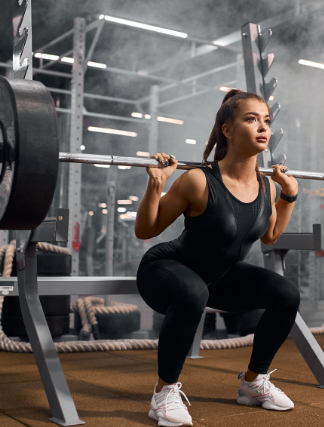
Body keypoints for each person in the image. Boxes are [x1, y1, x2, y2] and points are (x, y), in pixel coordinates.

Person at [134, 89, 300, 426]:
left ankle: (253, 382)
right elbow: (146, 229)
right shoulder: (198, 180)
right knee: (193, 291)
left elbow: (270, 235)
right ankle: (163, 393)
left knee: (286, 294)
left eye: (266, 121)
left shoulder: (266, 187)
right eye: (251, 119)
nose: (262, 127)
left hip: (218, 277)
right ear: (227, 129)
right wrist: (156, 185)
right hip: (166, 270)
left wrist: (290, 195)